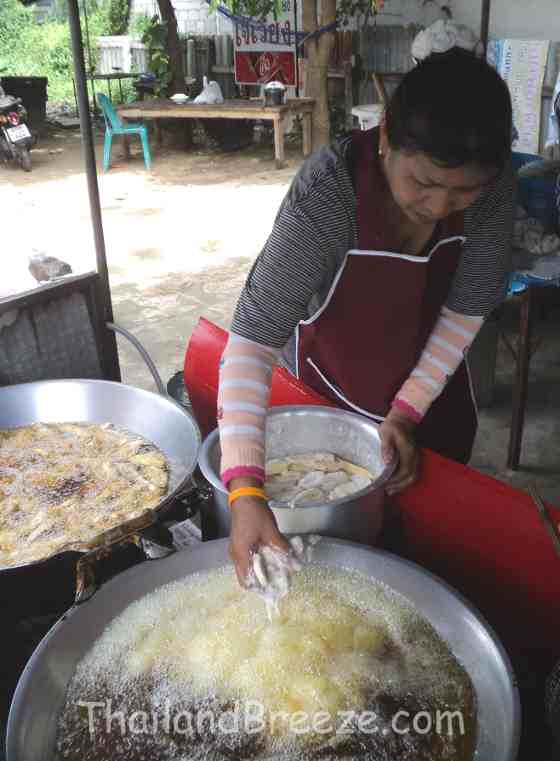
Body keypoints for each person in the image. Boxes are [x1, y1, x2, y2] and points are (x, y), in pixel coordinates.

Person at [217, 48, 514, 584]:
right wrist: (245, 488)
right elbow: (254, 342)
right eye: (423, 182)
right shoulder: (330, 195)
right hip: (330, 396)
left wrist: (406, 411)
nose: (442, 205)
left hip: (431, 400)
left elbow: (466, 310)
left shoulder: (491, 193)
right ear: (385, 138)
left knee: (424, 557)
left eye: (464, 190)